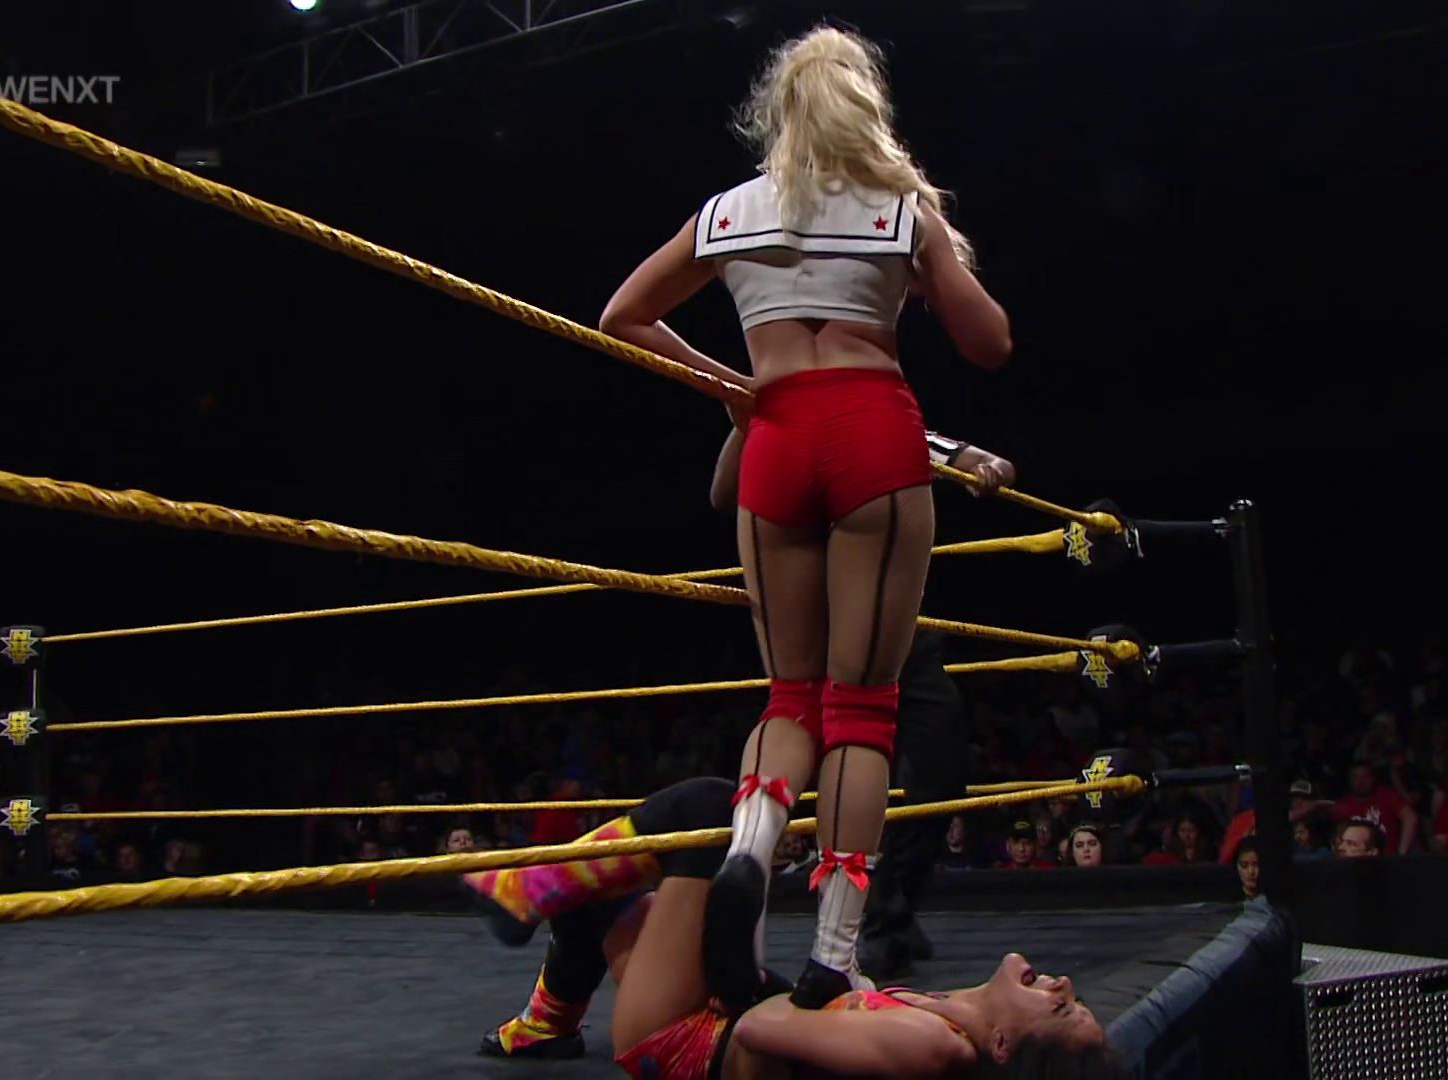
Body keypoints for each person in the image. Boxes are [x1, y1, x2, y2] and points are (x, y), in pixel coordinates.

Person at [597, 23, 1011, 1008]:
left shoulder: (729, 212)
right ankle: (834, 952)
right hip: (871, 430)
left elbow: (622, 317)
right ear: (865, 107)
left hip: (777, 433)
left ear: (777, 112)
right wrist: (930, 237)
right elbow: (990, 343)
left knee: (789, 697)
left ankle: (750, 851)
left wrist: (734, 389)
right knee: (861, 709)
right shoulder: (898, 209)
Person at [467, 777, 1111, 1077]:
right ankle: (545, 1027)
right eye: (1074, 998)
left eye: (1060, 1010)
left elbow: (759, 1027)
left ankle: (526, 890)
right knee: (602, 890)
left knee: (708, 813)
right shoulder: (946, 1020)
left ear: (1001, 1045)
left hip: (688, 1041)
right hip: (714, 1022)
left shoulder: (932, 1046)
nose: (1062, 985)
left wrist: (738, 944)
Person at [710, 414, 1016, 980]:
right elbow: (723, 492)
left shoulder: (880, 418)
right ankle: (844, 939)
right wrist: (749, 412)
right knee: (843, 736)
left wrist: (988, 469)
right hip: (825, 629)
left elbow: (976, 459)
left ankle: (881, 908)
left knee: (938, 770)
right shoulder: (779, 419)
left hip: (895, 632)